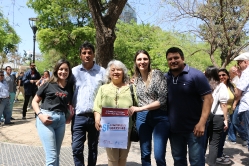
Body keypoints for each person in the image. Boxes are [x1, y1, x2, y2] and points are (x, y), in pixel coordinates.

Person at [165, 47, 213, 166]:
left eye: (176, 58)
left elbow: (208, 98)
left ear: (182, 58)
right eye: (170, 59)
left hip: (195, 129)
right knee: (178, 160)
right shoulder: (165, 78)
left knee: (196, 162)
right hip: (175, 129)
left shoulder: (196, 75)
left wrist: (202, 123)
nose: (173, 61)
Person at [129, 50, 169, 166]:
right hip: (142, 118)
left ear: (149, 60)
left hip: (160, 116)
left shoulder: (157, 74)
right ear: (136, 62)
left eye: (145, 59)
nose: (142, 62)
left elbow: (162, 100)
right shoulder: (135, 80)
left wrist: (140, 108)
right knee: (145, 153)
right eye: (139, 59)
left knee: (159, 155)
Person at [32, 59, 73, 166]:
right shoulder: (48, 84)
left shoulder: (69, 87)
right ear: (56, 70)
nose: (63, 72)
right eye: (61, 69)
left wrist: (68, 115)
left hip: (61, 121)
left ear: (69, 72)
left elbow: (68, 103)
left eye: (66, 70)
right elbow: (34, 102)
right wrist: (40, 116)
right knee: (52, 155)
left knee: (56, 154)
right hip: (46, 119)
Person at [94, 60, 134, 166]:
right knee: (112, 158)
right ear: (109, 73)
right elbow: (97, 107)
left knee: (123, 157)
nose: (116, 72)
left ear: (123, 72)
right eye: (113, 70)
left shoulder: (131, 88)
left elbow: (137, 106)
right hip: (108, 127)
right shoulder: (103, 88)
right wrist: (97, 119)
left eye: (119, 69)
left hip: (126, 127)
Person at [71, 41, 105, 166]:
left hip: (95, 116)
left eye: (89, 53)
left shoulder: (102, 71)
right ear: (80, 55)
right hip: (78, 116)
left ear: (94, 54)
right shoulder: (73, 71)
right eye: (84, 53)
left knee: (93, 148)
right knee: (76, 148)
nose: (87, 55)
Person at [204, 66, 229, 166]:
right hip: (217, 117)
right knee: (214, 143)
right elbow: (223, 104)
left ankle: (200, 162)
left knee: (203, 141)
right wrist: (226, 119)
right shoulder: (221, 86)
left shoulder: (202, 85)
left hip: (204, 117)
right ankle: (211, 163)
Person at [217, 69, 236, 164]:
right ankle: (218, 156)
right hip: (220, 114)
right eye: (219, 75)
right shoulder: (217, 86)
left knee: (224, 135)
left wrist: (234, 105)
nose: (221, 77)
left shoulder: (231, 86)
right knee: (220, 136)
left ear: (228, 76)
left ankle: (220, 152)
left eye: (223, 75)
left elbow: (236, 96)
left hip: (229, 114)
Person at [233, 52, 249, 151]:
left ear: (246, 62)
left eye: (239, 62)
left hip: (247, 106)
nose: (238, 65)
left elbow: (238, 92)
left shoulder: (247, 72)